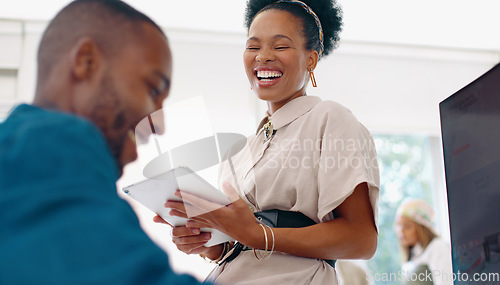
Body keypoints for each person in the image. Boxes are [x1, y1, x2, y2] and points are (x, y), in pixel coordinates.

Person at [156, 0, 380, 284]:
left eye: (280, 46)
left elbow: (361, 239)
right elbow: (235, 245)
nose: (263, 57)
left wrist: (258, 235)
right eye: (253, 47)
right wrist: (207, 242)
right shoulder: (238, 152)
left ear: (311, 59)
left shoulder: (329, 118)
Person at [0, 0, 204, 284]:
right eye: (153, 89)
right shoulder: (54, 144)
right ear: (86, 62)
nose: (159, 125)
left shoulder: (15, 147)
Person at [394, 199, 453, 285]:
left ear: (421, 228)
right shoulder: (412, 257)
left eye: (407, 226)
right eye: (399, 225)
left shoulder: (438, 248)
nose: (401, 231)